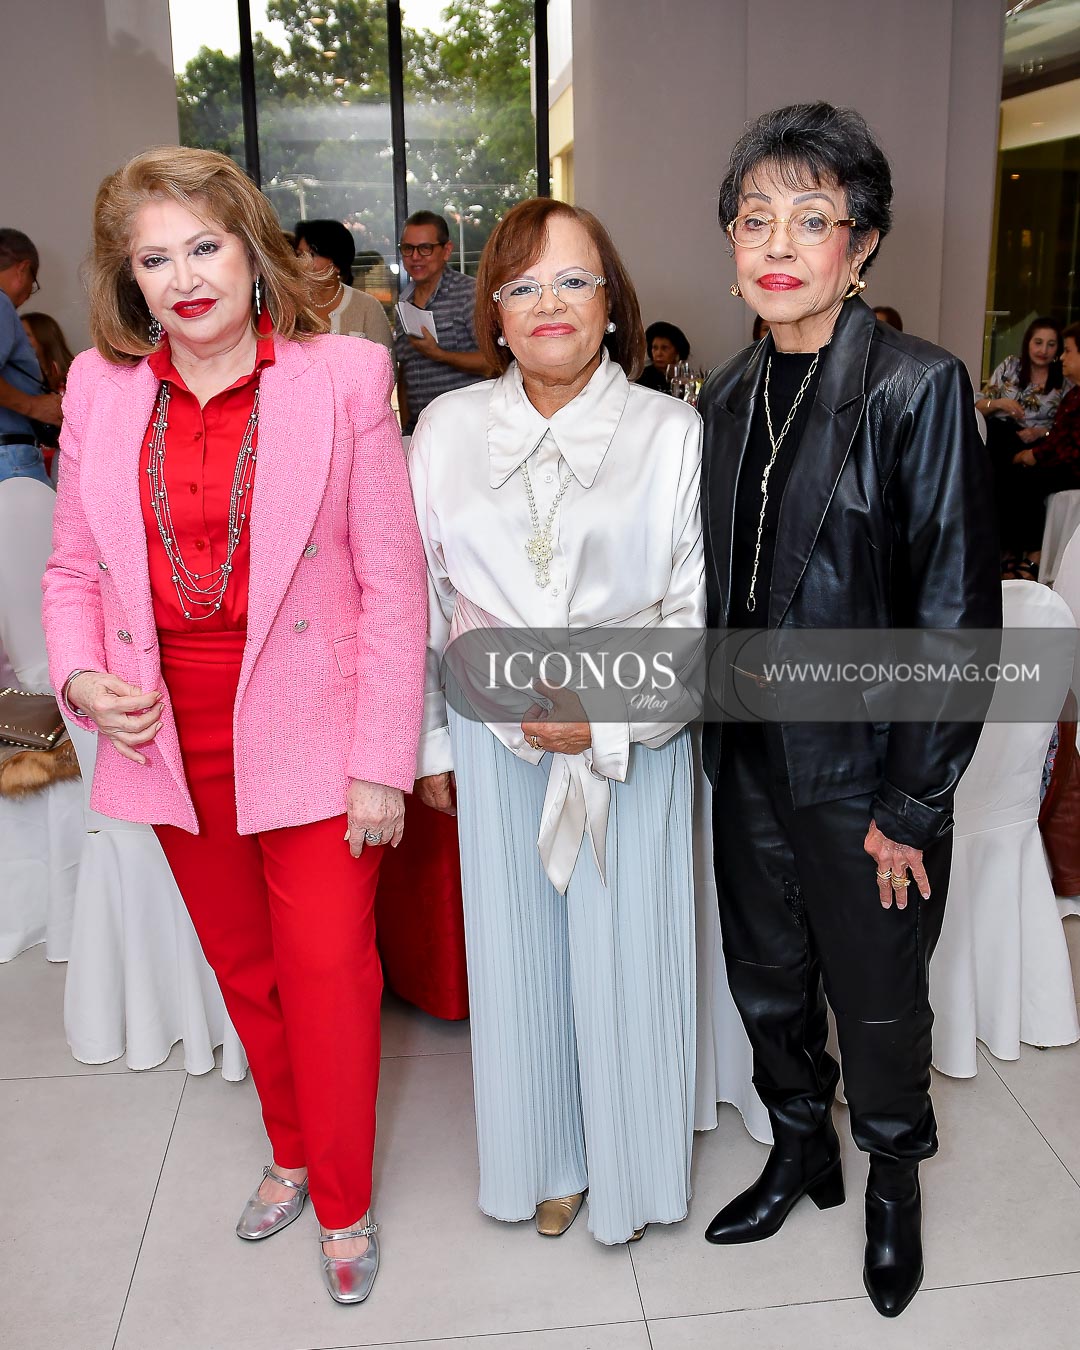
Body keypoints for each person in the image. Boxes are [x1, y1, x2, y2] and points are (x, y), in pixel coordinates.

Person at [41, 146, 427, 1305]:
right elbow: (72, 568)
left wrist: (382, 763)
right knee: (248, 970)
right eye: (155, 258)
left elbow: (392, 582)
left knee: (328, 971)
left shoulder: (345, 375)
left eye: (205, 246)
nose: (185, 278)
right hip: (169, 726)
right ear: (128, 278)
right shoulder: (101, 389)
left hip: (317, 724)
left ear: (252, 253)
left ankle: (344, 1201)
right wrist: (80, 677)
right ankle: (292, 1150)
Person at [698, 103, 1000, 1318]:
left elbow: (954, 615)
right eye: (755, 218)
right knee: (767, 978)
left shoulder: (917, 387)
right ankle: (798, 1150)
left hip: (864, 769)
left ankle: (892, 1189)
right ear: (731, 243)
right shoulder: (726, 395)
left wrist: (913, 805)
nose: (778, 244)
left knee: (877, 995)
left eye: (811, 218)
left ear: (859, 245)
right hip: (748, 756)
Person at [409, 198, 703, 1245]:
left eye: (574, 281)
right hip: (497, 739)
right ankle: (543, 1157)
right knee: (518, 956)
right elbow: (425, 601)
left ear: (611, 303)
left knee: (631, 958)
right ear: (492, 309)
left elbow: (693, 612)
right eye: (523, 285)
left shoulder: (670, 432)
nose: (550, 304)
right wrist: (432, 740)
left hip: (636, 742)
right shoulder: (445, 430)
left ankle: (633, 1169)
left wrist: (609, 714)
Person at [976, 316, 1066, 576]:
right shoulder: (1011, 366)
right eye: (1038, 342)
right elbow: (979, 405)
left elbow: (1064, 428)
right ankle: (1013, 553)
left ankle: (1010, 553)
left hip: (1038, 442)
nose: (1043, 350)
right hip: (1002, 434)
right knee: (999, 444)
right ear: (1028, 343)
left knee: (1016, 477)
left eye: (1051, 344)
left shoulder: (1064, 380)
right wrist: (1000, 404)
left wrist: (1041, 431)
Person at [994, 322, 1080, 575]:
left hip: (1071, 467)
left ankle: (1034, 555)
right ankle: (1009, 550)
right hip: (1052, 456)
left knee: (1027, 480)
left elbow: (1070, 448)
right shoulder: (1073, 395)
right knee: (1006, 467)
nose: (1061, 356)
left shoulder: (1067, 390)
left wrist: (1034, 454)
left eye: (1066, 350)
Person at [394, 210, 489, 432]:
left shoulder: (470, 294)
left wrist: (440, 355)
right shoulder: (404, 302)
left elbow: (494, 363)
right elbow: (406, 371)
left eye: (425, 248)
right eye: (408, 248)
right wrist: (407, 429)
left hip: (468, 428)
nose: (415, 257)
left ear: (446, 251)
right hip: (419, 430)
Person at [0, 229, 62, 484]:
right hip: (10, 455)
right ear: (22, 269)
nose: (27, 294)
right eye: (32, 283)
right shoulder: (1, 303)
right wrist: (34, 406)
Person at [293, 218, 394, 351]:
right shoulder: (292, 306)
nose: (302, 262)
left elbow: (386, 360)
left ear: (337, 263)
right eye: (299, 255)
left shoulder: (367, 307)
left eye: (312, 255)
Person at [21, 312, 76, 393]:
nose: (19, 341)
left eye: (26, 335)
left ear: (44, 336)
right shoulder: (19, 376)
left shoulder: (78, 370)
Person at [637, 319, 691, 392]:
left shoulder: (685, 377)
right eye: (655, 348)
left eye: (664, 348)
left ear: (677, 352)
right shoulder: (642, 377)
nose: (659, 353)